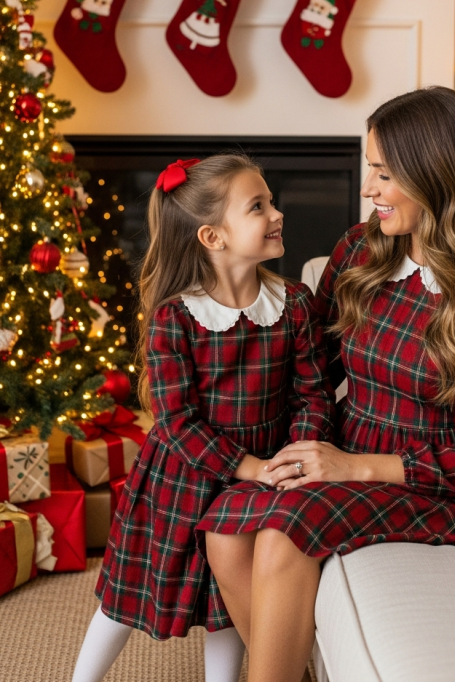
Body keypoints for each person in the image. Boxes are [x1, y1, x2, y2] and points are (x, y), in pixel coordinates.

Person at [199, 86, 455, 682]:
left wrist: (354, 466)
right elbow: (311, 368)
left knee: (285, 533)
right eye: (370, 169)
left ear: (437, 175)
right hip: (350, 449)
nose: (368, 189)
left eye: (385, 174)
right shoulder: (363, 249)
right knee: (226, 528)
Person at [71, 153, 334, 682]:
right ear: (213, 237)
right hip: (184, 477)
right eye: (258, 206)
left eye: (271, 201)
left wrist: (294, 459)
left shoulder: (295, 303)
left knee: (225, 602)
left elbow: (313, 395)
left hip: (266, 472)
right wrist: (250, 467)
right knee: (127, 594)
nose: (277, 213)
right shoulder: (176, 317)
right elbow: (177, 422)